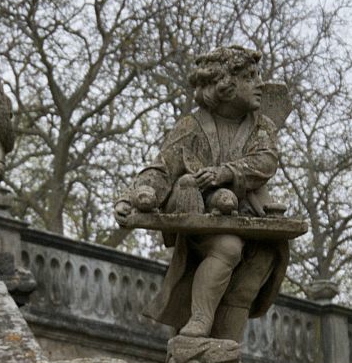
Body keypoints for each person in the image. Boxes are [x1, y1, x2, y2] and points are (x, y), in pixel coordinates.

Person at [115, 45, 287, 341]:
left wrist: (226, 172)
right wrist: (134, 196)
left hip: (253, 217)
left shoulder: (262, 125)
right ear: (226, 85)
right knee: (228, 247)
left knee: (251, 276)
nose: (259, 85)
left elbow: (266, 161)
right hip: (205, 221)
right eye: (249, 77)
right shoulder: (191, 126)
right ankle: (199, 323)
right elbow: (162, 169)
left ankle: (227, 352)